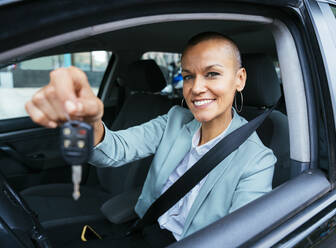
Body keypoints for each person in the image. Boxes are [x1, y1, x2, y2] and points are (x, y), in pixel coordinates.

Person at [25, 32, 276, 247]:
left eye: (211, 74)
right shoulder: (175, 119)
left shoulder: (257, 160)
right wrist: (88, 121)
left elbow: (241, 238)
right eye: (188, 76)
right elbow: (116, 149)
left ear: (239, 79)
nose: (196, 87)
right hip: (144, 230)